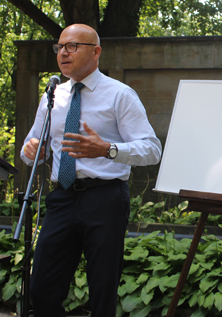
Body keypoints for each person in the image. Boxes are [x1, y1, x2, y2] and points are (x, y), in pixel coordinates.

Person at [20, 24, 162, 317]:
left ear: (95, 52)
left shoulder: (120, 95)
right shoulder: (52, 97)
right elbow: (31, 145)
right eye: (60, 46)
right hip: (62, 198)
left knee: (102, 289)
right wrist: (33, 150)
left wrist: (108, 149)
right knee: (42, 288)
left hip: (105, 198)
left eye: (72, 46)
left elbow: (152, 149)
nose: (63, 52)